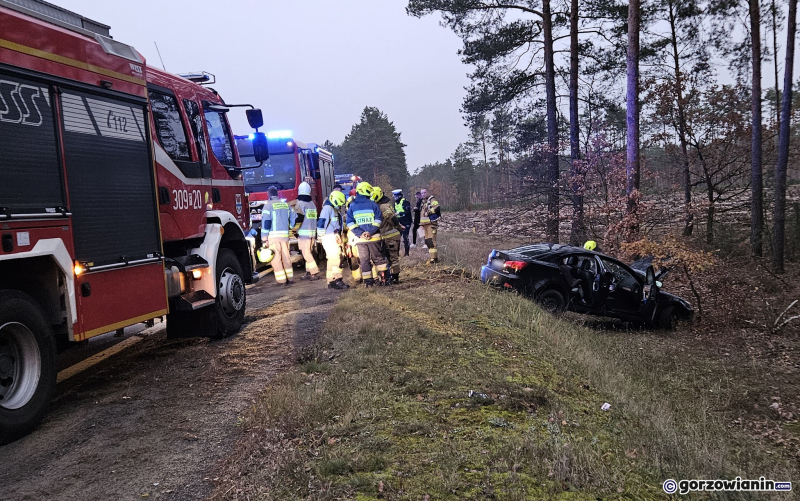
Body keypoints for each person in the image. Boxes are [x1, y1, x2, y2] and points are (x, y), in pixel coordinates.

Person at [346, 182, 386, 287]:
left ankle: (368, 283)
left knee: (364, 261)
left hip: (360, 240)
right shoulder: (373, 204)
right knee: (378, 259)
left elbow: (350, 222)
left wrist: (360, 233)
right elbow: (378, 219)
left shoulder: (352, 206)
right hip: (374, 238)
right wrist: (371, 231)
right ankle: (384, 279)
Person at [261, 186, 296, 285]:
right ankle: (290, 278)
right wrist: (291, 226)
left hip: (273, 237)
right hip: (285, 236)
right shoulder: (285, 204)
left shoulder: (268, 206)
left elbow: (266, 223)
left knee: (276, 259)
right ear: (277, 194)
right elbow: (294, 216)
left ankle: (281, 280)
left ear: (269, 194)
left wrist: (264, 238)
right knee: (286, 257)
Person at [317, 191, 349, 289]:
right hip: (328, 237)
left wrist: (337, 234)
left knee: (331, 259)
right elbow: (321, 223)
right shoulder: (327, 209)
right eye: (339, 204)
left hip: (331, 236)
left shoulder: (332, 209)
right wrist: (321, 237)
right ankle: (338, 280)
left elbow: (333, 224)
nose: (340, 207)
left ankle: (330, 281)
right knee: (335, 259)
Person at [373, 187, 405, 285]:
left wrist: (399, 226)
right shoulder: (384, 204)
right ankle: (392, 276)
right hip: (390, 235)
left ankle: (395, 277)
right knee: (390, 257)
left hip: (389, 236)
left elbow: (391, 218)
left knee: (393, 257)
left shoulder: (383, 206)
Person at [293, 182, 320, 281]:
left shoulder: (299, 204)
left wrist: (294, 231)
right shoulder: (312, 204)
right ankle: (308, 272)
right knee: (309, 252)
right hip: (312, 232)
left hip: (303, 233)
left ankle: (314, 271)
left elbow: (299, 219)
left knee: (306, 253)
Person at [419, 188, 441, 263]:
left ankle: (434, 259)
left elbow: (437, 208)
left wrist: (428, 212)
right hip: (425, 225)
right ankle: (432, 257)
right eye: (422, 193)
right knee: (428, 241)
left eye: (424, 192)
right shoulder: (423, 202)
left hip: (431, 224)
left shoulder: (432, 199)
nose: (423, 194)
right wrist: (421, 225)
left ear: (428, 192)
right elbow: (422, 215)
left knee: (432, 241)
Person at [392, 189, 413, 256]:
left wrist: (400, 213)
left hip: (406, 222)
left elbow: (408, 212)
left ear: (399, 196)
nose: (395, 198)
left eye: (396, 196)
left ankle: (406, 253)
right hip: (398, 222)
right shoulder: (395, 203)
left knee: (405, 237)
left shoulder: (405, 202)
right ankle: (397, 253)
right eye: (394, 197)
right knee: (397, 238)